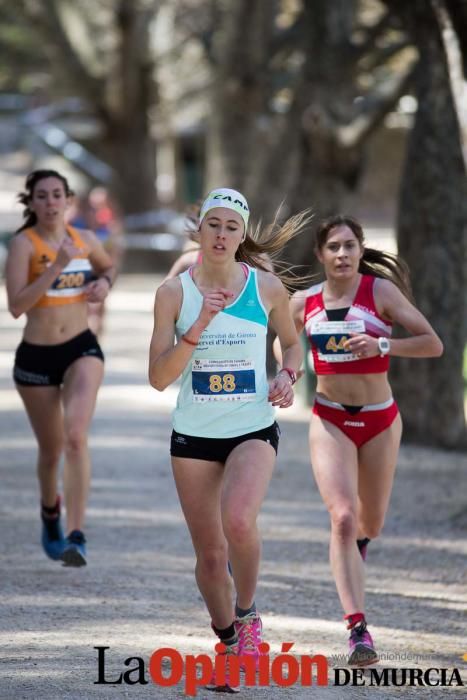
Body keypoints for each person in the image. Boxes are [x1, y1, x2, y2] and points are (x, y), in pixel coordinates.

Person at [149, 188, 306, 692]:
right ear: (199, 230)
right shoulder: (173, 293)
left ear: (243, 235)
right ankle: (230, 639)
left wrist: (287, 375)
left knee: (239, 518)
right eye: (212, 224)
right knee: (211, 558)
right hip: (194, 435)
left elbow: (292, 342)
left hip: (251, 426)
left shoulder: (265, 287)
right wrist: (197, 327)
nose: (221, 234)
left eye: (231, 227)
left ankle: (248, 616)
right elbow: (157, 377)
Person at [288, 215, 443, 666]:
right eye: (333, 246)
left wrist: (382, 346)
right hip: (330, 417)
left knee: (368, 524)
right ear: (320, 255)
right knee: (342, 516)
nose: (342, 254)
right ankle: (358, 630)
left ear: (361, 250)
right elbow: (287, 344)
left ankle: (357, 550)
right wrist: (288, 368)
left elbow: (433, 343)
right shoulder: (304, 301)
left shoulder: (381, 294)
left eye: (350, 246)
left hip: (379, 420)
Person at [5, 169, 116, 567]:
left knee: (75, 437)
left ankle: (76, 533)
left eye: (57, 195)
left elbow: (108, 268)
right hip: (36, 357)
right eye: (43, 196)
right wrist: (56, 266)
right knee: (51, 451)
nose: (51, 202)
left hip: (81, 348)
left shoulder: (85, 239)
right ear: (32, 203)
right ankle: (50, 513)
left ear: (68, 200)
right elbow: (17, 306)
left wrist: (104, 285)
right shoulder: (23, 245)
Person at [68, 186, 124, 335]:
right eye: (94, 202)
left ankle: (95, 334)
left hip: (103, 267)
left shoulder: (110, 221)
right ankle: (89, 333)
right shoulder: (82, 219)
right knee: (88, 304)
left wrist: (113, 265)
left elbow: (116, 246)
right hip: (86, 267)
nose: (96, 206)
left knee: (98, 304)